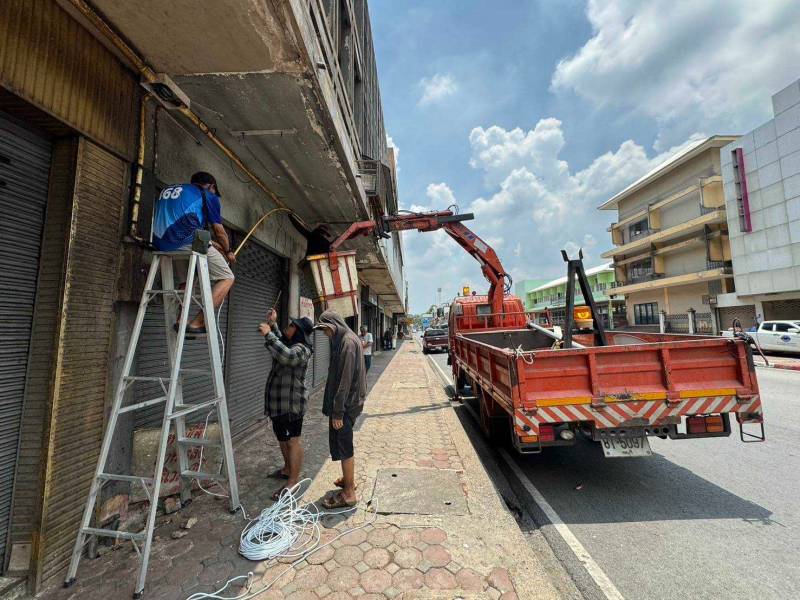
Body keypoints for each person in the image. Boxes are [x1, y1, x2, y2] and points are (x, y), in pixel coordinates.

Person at [152, 171, 235, 335]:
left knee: (187, 281)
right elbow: (219, 231)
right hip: (185, 242)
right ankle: (198, 322)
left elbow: (182, 222)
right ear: (211, 186)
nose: (214, 194)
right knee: (227, 277)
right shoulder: (208, 196)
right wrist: (228, 251)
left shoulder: (169, 191)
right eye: (214, 191)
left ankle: (180, 321)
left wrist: (212, 244)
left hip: (161, 244)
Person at [259, 308, 314, 500]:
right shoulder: (290, 343)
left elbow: (287, 356)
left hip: (292, 405)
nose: (287, 327)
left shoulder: (302, 349)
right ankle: (287, 469)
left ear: (298, 331)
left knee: (292, 441)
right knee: (282, 438)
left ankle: (293, 481)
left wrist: (269, 334)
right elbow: (282, 342)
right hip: (278, 405)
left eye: (291, 325)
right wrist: (273, 324)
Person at [315, 311, 366, 508]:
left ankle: (349, 493)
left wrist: (338, 412)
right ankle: (348, 479)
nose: (325, 334)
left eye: (325, 330)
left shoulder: (347, 343)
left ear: (333, 326)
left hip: (346, 406)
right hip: (348, 403)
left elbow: (344, 381)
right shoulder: (347, 339)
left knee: (344, 446)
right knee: (340, 442)